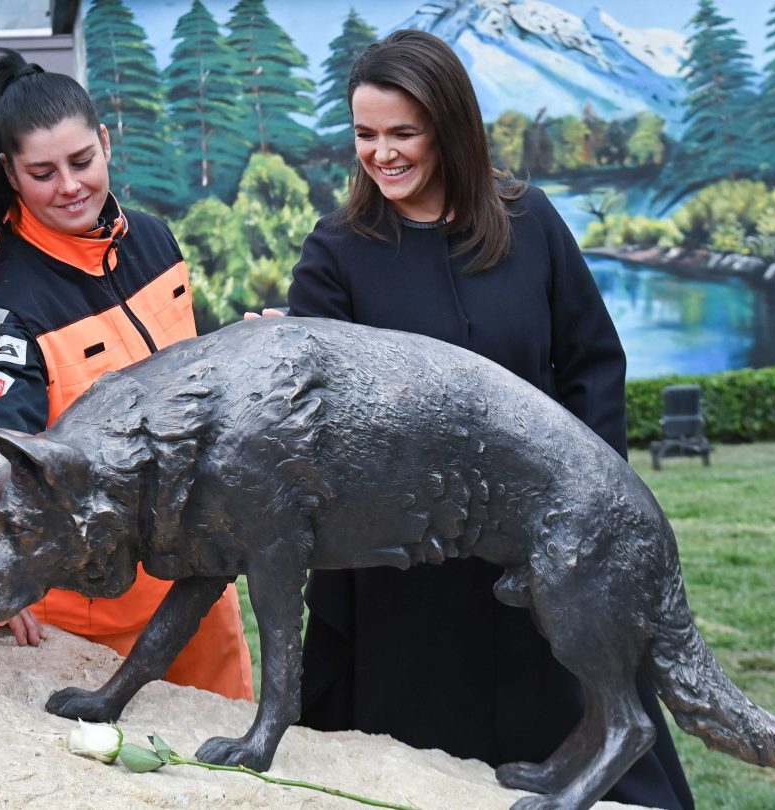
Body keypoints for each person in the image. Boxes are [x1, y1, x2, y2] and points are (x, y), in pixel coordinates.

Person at [283, 30, 693, 808]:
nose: (381, 154)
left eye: (402, 133)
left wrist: (588, 511)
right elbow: (318, 415)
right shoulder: (336, 251)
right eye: (365, 134)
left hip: (542, 558)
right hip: (406, 578)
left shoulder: (531, 222)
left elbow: (592, 365)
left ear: (450, 128)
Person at [0, 50, 254, 701]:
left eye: (82, 161)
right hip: (94, 618)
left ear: (106, 142)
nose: (70, 186)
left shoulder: (158, 243)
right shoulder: (9, 300)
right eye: (43, 172)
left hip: (199, 585)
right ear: (10, 173)